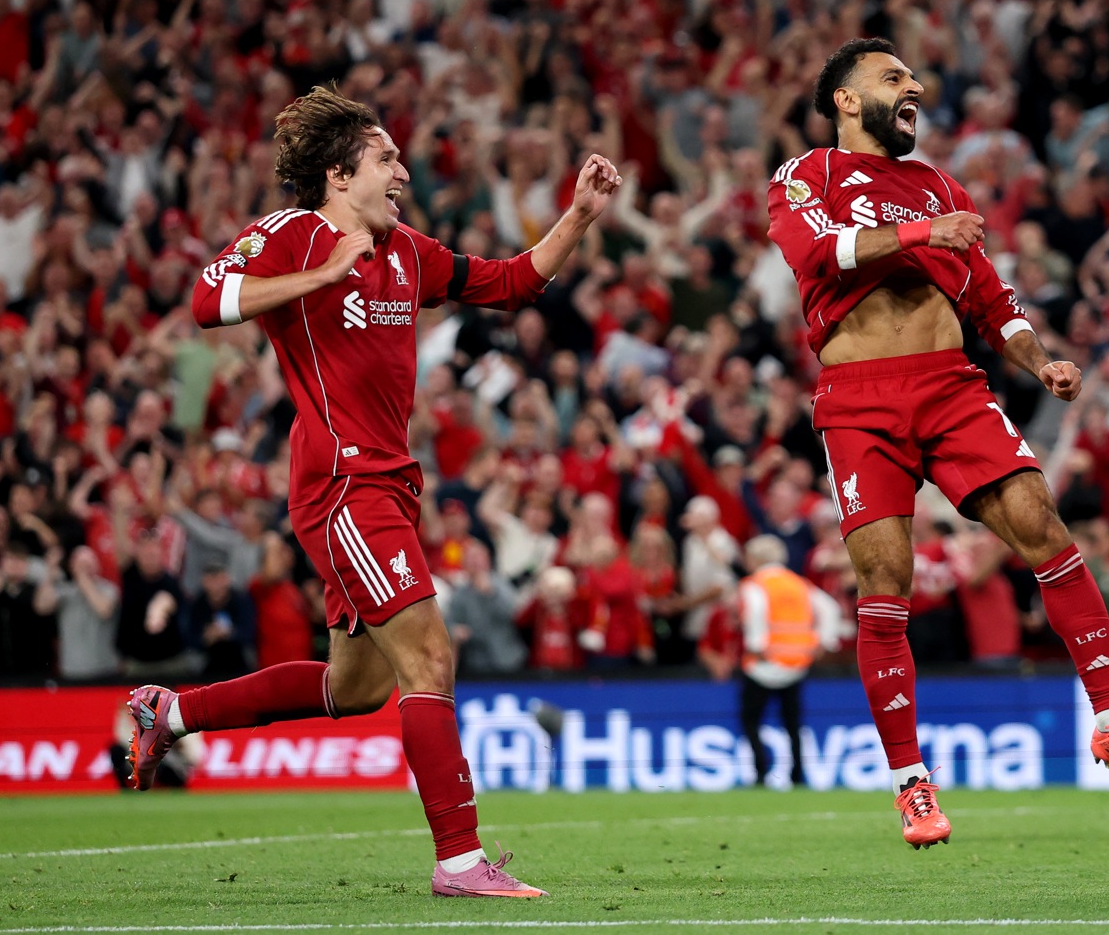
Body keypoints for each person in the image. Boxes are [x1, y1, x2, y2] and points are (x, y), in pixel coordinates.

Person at [126, 87, 620, 898]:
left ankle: (168, 714)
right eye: (385, 158)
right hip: (342, 482)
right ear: (337, 173)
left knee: (352, 689)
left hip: (390, 485)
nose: (402, 170)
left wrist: (578, 218)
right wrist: (321, 272)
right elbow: (205, 300)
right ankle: (460, 862)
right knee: (430, 654)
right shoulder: (293, 233)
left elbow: (505, 283)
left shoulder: (407, 250)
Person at [767, 39, 1109, 849]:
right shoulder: (805, 175)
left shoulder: (939, 187)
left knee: (1045, 528)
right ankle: (911, 784)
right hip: (859, 399)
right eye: (891, 78)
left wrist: (1040, 358)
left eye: (914, 76)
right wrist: (923, 233)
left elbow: (993, 300)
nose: (912, 86)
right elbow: (819, 252)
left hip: (951, 385)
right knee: (886, 581)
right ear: (846, 99)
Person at [736, 534, 843, 788]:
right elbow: (830, 609)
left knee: (751, 720)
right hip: (797, 663)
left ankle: (761, 774)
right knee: (792, 723)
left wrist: (756, 645)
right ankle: (797, 775)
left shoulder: (755, 584)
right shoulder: (799, 584)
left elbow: (756, 612)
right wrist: (823, 642)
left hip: (763, 664)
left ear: (756, 558)